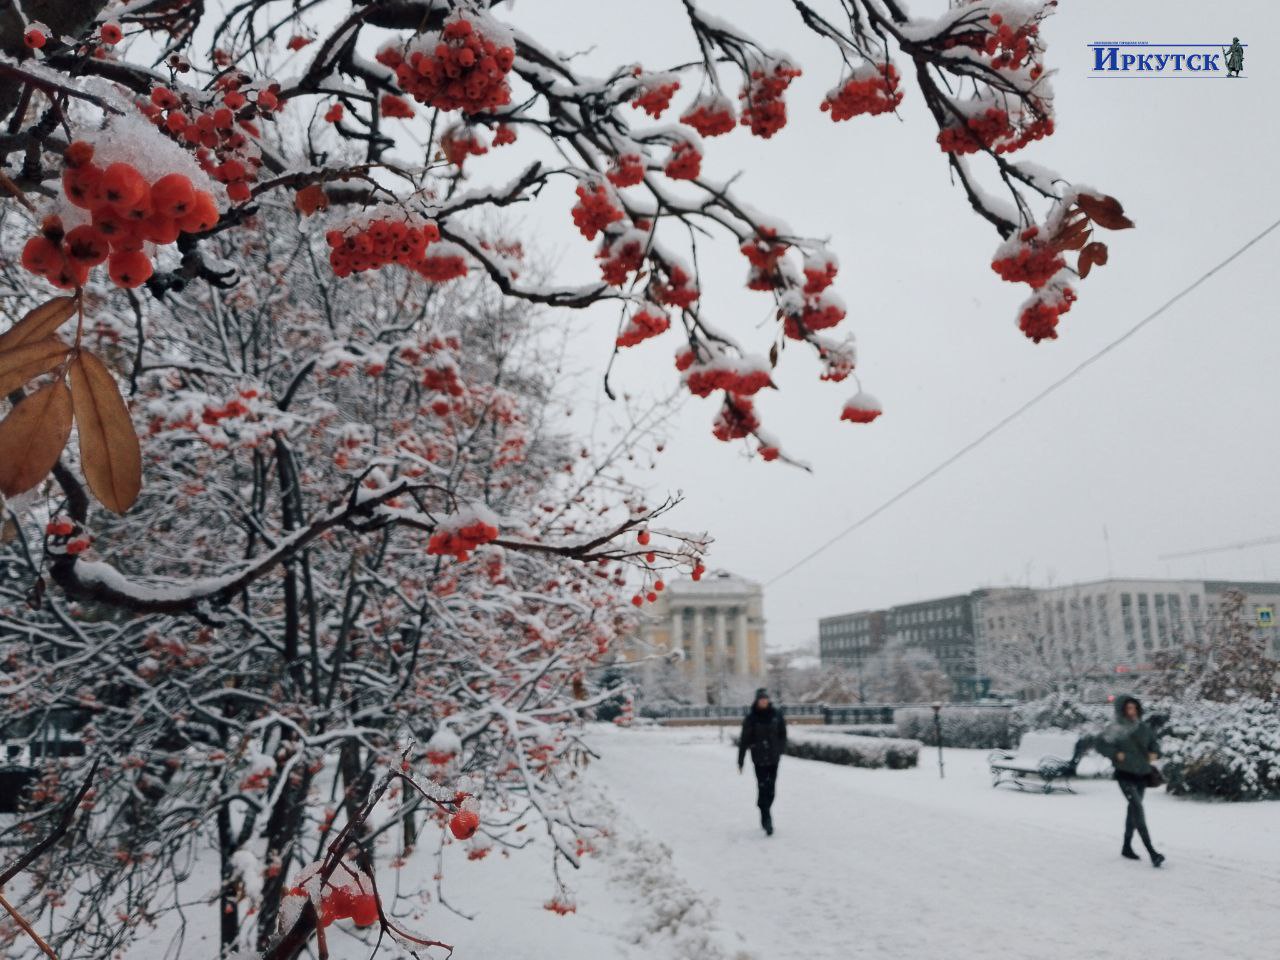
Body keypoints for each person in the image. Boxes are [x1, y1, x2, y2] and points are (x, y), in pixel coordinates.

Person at [1096, 695, 1165, 867]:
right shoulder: (1115, 729)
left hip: (1142, 775)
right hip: (1125, 774)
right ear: (1122, 710)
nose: (1132, 711)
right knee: (1138, 809)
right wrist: (1114, 754)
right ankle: (1152, 852)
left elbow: (1154, 745)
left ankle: (1126, 846)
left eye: (1134, 708)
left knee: (1132, 811)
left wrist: (1155, 752)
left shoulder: (1143, 728)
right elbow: (1100, 744)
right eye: (1128, 708)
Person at [737, 688, 786, 836]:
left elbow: (782, 734)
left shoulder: (776, 715)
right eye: (761, 699)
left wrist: (780, 750)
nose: (764, 701)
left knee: (771, 790)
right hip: (759, 759)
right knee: (763, 787)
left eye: (766, 699)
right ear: (757, 700)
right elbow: (744, 740)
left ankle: (763, 806)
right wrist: (740, 760)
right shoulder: (751, 718)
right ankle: (767, 819)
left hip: (773, 758)